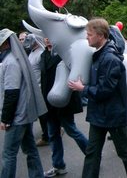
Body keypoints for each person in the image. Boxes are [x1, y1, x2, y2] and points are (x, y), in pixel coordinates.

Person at [68, 18, 127, 178]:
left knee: (125, 153)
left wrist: (83, 88)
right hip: (100, 115)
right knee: (92, 154)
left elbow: (105, 90)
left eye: (89, 34)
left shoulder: (110, 58)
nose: (86, 37)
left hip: (113, 115)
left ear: (101, 35)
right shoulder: (100, 55)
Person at [0, 28, 47, 178]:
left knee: (9, 153)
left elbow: (11, 93)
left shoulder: (10, 62)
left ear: (6, 44)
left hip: (17, 116)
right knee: (30, 149)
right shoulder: (14, 59)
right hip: (24, 113)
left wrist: (5, 119)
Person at [41, 37, 88, 177]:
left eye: (50, 37)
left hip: (63, 102)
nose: (48, 40)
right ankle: (58, 166)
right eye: (45, 37)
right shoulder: (44, 55)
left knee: (71, 130)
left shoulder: (65, 54)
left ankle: (92, 154)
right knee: (53, 134)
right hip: (49, 102)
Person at [24, 33, 49, 147]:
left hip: (39, 88)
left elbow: (43, 73)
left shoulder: (40, 54)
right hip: (34, 88)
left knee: (43, 114)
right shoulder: (33, 53)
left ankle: (47, 136)